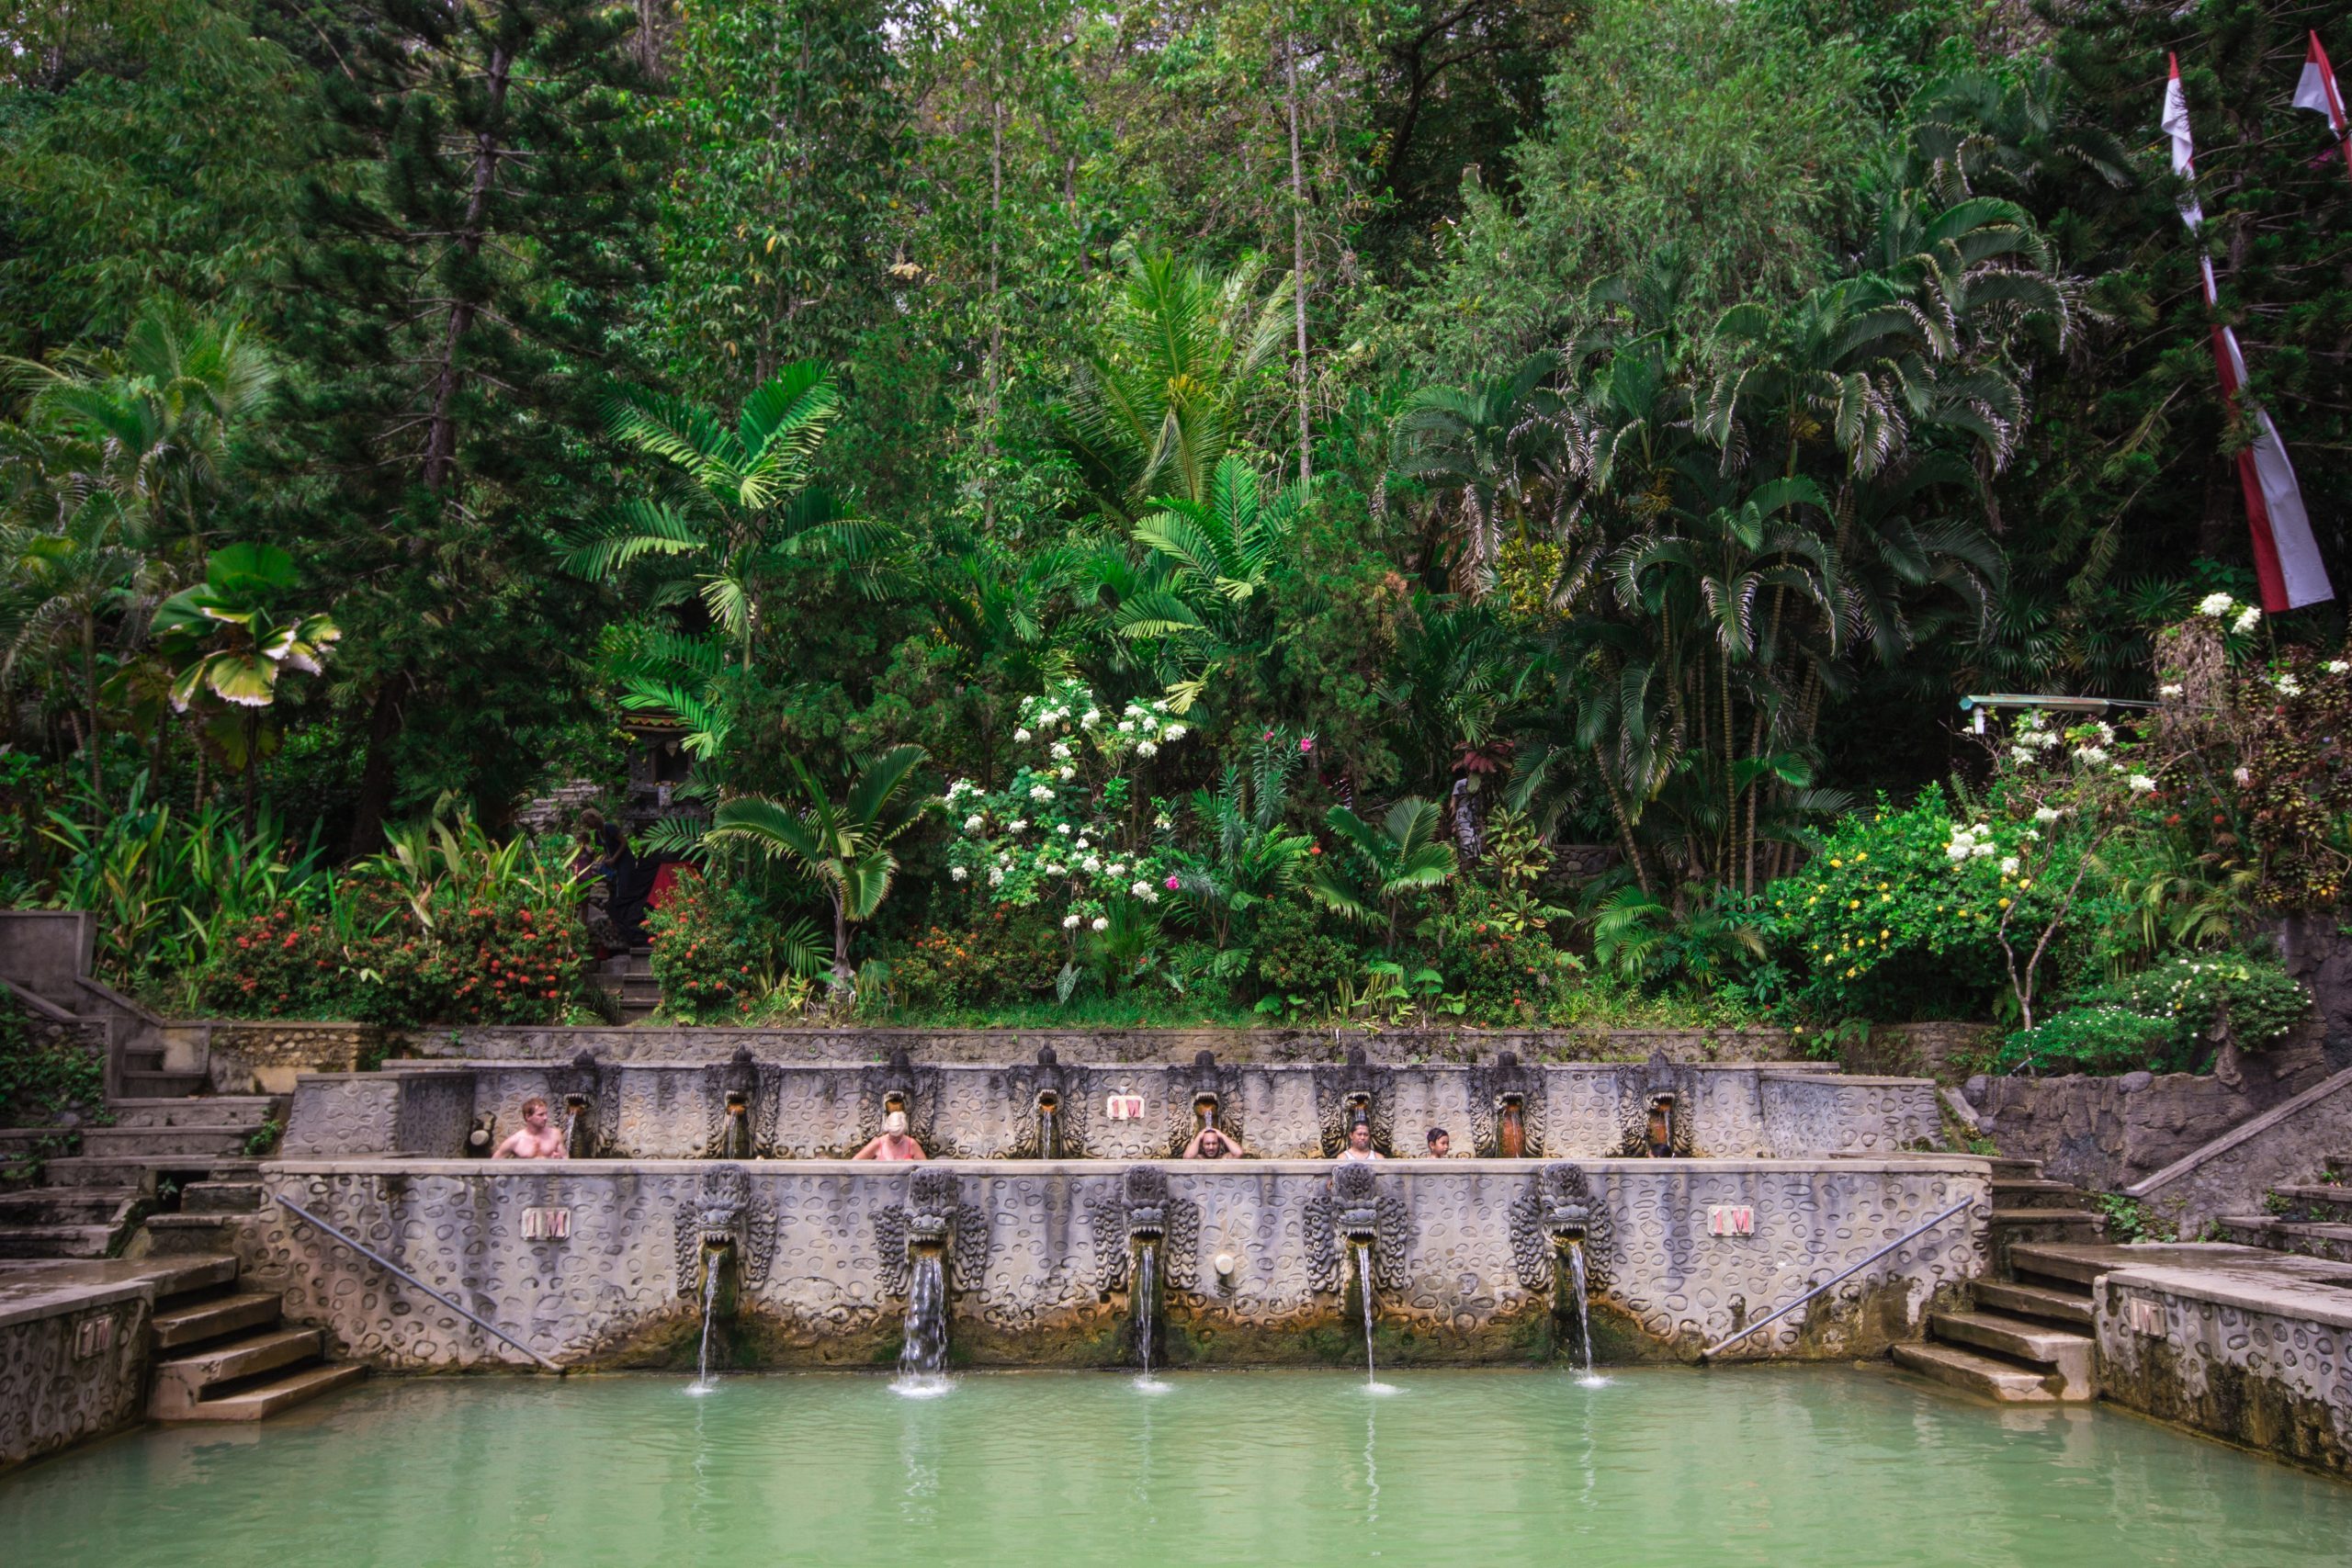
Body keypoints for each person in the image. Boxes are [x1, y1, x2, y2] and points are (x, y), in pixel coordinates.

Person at [492, 1097, 568, 1160]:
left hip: (551, 1177)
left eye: (546, 1114)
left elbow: (566, 1160)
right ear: (528, 1117)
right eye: (540, 1115)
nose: (545, 1118)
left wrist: (559, 1159)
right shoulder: (516, 1140)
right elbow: (493, 1163)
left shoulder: (555, 1134)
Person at [853, 1110, 927, 1161]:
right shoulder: (878, 1143)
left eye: (899, 1136)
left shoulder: (911, 1144)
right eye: (893, 1136)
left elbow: (926, 1169)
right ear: (888, 1130)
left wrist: (912, 1164)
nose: (895, 1139)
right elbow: (854, 1163)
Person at [1182, 1124, 1246, 1159]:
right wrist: (1199, 1137)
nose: (1211, 1147)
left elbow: (1239, 1153)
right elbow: (1188, 1157)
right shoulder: (1198, 1159)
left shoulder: (1224, 1158)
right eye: (1207, 1144)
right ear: (1202, 1145)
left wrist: (1222, 1135)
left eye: (1214, 1143)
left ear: (1219, 1144)